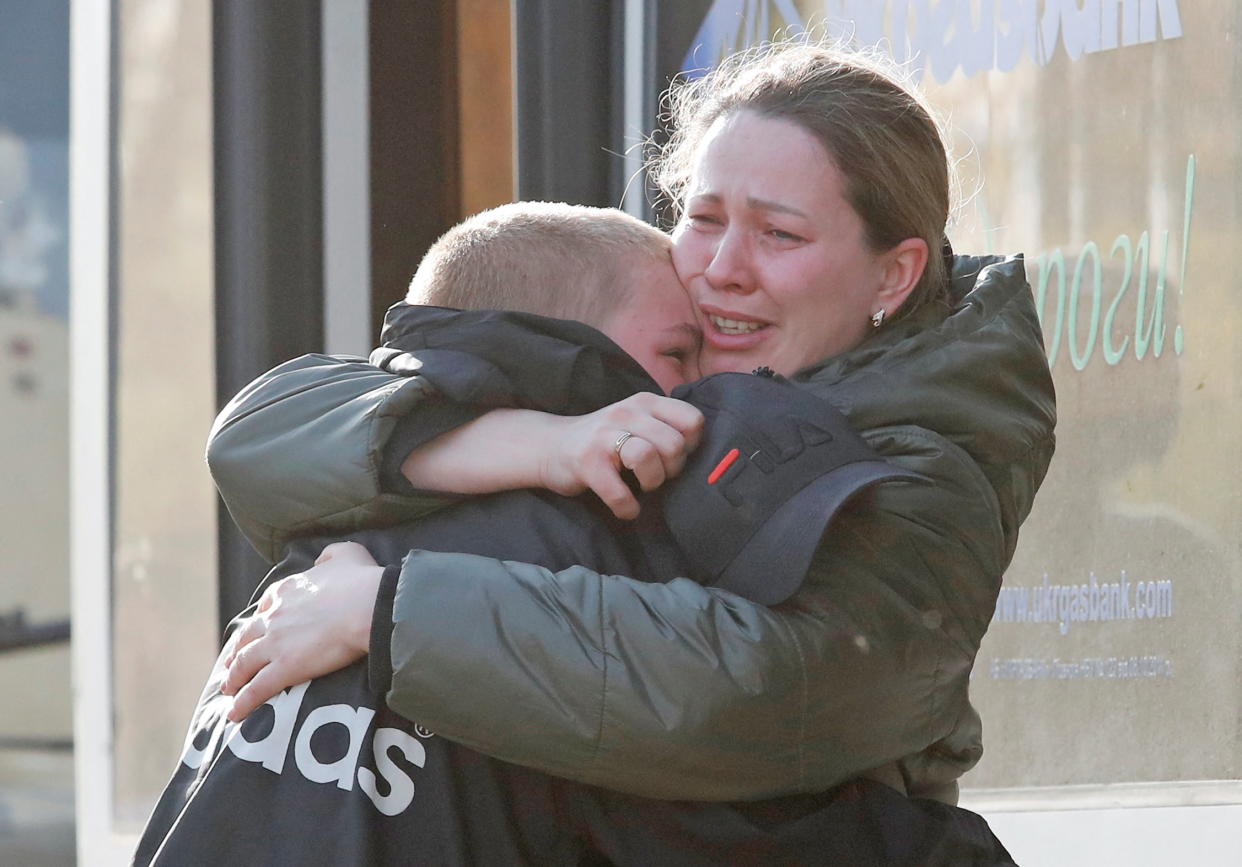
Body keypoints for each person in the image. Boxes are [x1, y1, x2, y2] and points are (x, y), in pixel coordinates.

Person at [212, 42, 1054, 856]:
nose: (723, 267)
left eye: (780, 235)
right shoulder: (648, 385)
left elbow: (753, 692)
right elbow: (260, 437)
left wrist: (384, 611)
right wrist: (540, 442)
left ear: (893, 275)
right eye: (705, 217)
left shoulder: (924, 466)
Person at [141, 202, 983, 865]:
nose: (701, 390)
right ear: (564, 350)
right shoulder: (585, 553)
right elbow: (730, 830)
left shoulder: (327, 545)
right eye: (678, 351)